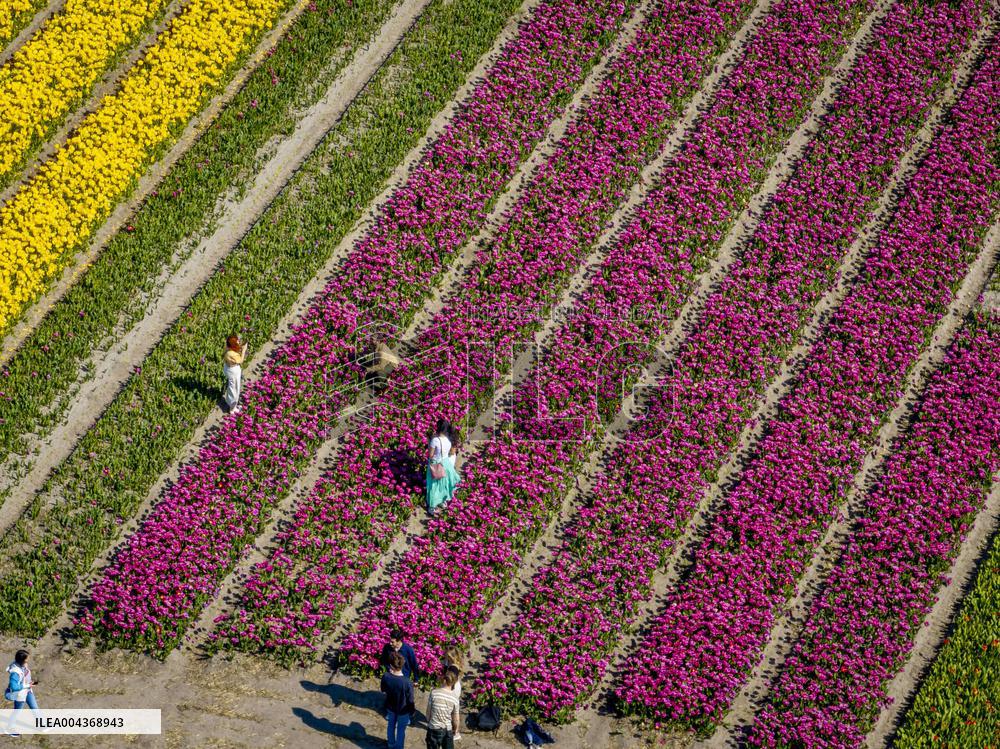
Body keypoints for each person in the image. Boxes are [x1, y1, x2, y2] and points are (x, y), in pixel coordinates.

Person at [426, 419, 461, 517]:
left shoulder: (435, 440)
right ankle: (442, 501)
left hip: (436, 464)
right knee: (443, 484)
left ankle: (432, 507)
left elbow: (431, 455)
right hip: (446, 463)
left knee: (434, 485)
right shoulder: (448, 440)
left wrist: (429, 442)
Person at [381, 651, 415, 749]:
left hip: (390, 707)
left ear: (391, 665)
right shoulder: (407, 682)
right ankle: (399, 747)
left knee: (391, 725)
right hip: (403, 710)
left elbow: (383, 690)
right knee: (401, 730)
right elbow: (410, 700)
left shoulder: (386, 676)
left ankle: (390, 743)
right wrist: (412, 712)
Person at [5, 650, 40, 737]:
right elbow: (14, 687)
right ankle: (9, 728)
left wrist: (29, 683)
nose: (28, 661)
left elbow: (25, 676)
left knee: (35, 707)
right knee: (17, 711)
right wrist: (26, 685)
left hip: (28, 691)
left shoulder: (23, 665)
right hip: (20, 694)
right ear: (22, 661)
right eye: (27, 660)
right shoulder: (15, 672)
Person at [425, 669, 460, 749]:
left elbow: (428, 711)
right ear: (454, 683)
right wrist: (456, 729)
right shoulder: (455, 698)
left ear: (444, 680)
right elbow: (456, 719)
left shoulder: (434, 693)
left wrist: (428, 720)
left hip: (434, 727)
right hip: (447, 729)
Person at [441, 647, 464, 741]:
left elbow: (450, 681)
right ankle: (454, 730)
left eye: (446, 655)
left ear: (451, 656)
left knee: (454, 712)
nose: (444, 656)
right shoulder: (454, 664)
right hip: (456, 686)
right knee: (454, 711)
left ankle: (456, 733)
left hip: (453, 688)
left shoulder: (453, 667)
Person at [222, 335, 249, 414]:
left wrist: (240, 346)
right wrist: (244, 350)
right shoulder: (232, 354)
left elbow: (235, 349)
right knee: (234, 388)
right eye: (237, 341)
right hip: (233, 371)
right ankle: (232, 409)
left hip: (228, 368)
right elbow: (240, 361)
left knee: (232, 386)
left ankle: (232, 404)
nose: (238, 341)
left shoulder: (227, 348)